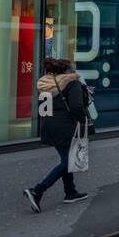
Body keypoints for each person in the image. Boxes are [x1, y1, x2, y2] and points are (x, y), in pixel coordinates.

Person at [25, 58, 91, 212]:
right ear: (68, 70)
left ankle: (70, 192)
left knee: (66, 159)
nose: (74, 70)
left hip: (49, 125)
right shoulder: (72, 82)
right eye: (73, 67)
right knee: (68, 162)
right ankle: (37, 191)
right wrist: (84, 120)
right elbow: (76, 106)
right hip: (67, 127)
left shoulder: (46, 84)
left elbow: (43, 108)